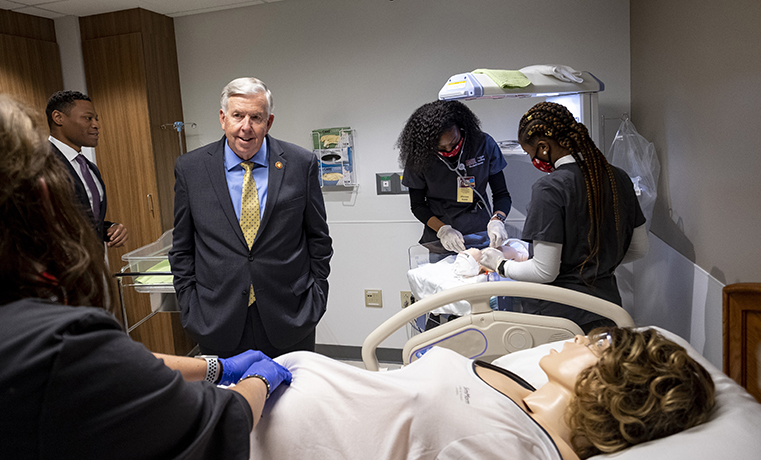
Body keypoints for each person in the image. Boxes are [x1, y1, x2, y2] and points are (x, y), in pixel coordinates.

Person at [0, 83, 291, 459]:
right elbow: (218, 423)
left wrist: (214, 367)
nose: (246, 126)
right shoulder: (54, 339)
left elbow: (114, 363)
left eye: (255, 117)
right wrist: (258, 379)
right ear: (44, 197)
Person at [249, 327, 715, 460]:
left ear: (620, 384)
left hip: (244, 435)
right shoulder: (527, 391)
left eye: (599, 344)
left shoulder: (518, 448)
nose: (578, 338)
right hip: (255, 393)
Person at [170, 77, 333, 359]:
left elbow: (318, 238)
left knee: (292, 400)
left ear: (268, 122)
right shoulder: (191, 169)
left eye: (256, 117)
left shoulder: (300, 164)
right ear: (223, 119)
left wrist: (316, 297)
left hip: (290, 316)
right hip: (216, 318)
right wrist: (189, 302)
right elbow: (182, 245)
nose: (246, 127)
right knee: (229, 401)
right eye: (237, 115)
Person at [480, 102, 649, 332]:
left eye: (531, 153)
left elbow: (544, 271)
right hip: (609, 312)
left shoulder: (550, 188)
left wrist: (499, 265)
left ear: (543, 147)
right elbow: (638, 249)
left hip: (563, 319)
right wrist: (595, 263)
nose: (534, 160)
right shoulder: (618, 177)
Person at [398, 100, 512, 252]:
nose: (450, 150)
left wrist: (497, 220)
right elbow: (418, 205)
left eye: (454, 142)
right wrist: (443, 230)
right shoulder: (419, 157)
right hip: (442, 240)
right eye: (441, 147)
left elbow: (502, 194)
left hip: (481, 233)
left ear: (461, 127)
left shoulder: (483, 144)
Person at [46, 90, 128, 248]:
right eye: (88, 118)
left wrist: (108, 229)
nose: (96, 125)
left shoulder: (89, 168)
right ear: (58, 118)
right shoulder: (39, 164)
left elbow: (83, 220)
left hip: (92, 265)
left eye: (96, 119)